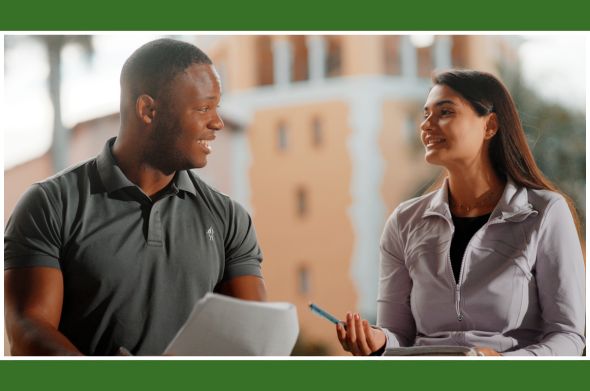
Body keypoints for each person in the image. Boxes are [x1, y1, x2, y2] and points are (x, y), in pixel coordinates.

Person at [4, 38, 267, 356]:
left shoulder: (230, 220)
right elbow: (28, 328)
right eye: (203, 108)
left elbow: (254, 340)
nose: (217, 123)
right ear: (148, 110)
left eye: (217, 108)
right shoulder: (50, 204)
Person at [336, 69, 585, 356]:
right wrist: (377, 341)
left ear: (490, 125)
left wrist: (505, 363)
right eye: (425, 114)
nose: (427, 125)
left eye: (445, 112)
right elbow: (398, 335)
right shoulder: (404, 222)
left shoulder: (545, 213)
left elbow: (568, 335)